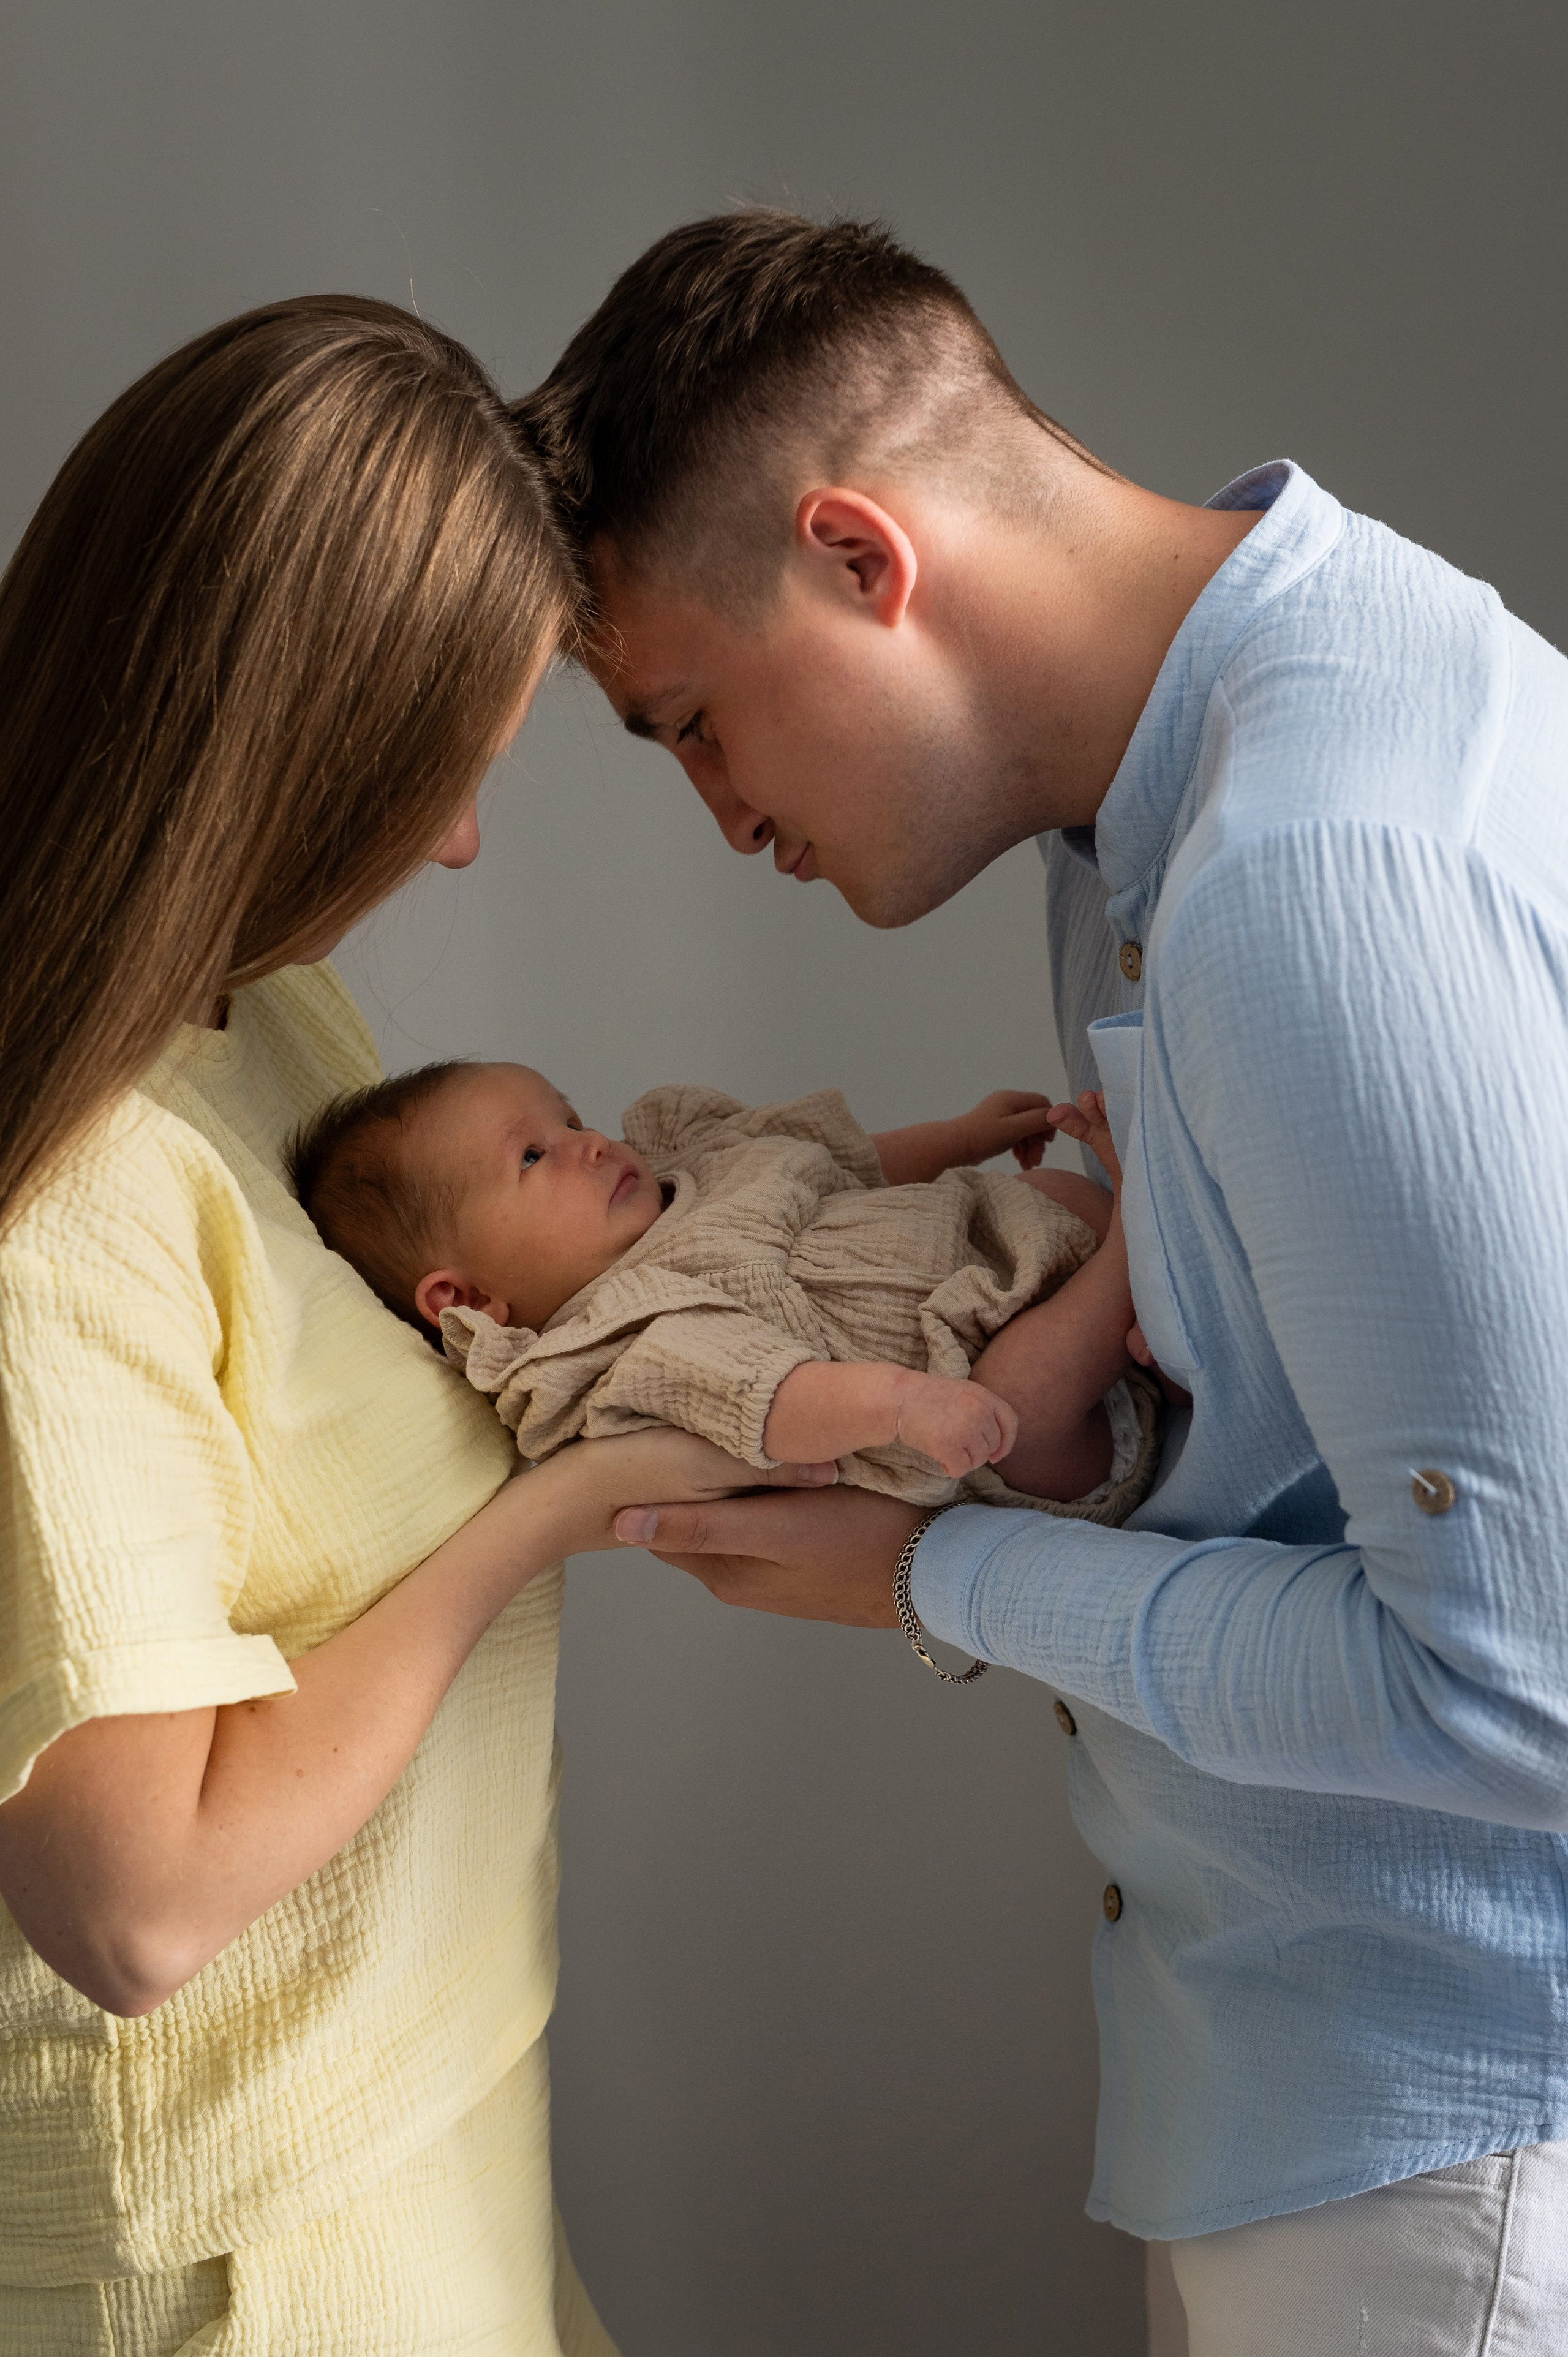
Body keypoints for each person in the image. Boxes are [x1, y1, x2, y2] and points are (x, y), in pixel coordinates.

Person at [514, 211, 1568, 2352]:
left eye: (697, 719)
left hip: (1446, 2157)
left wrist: (931, 1575)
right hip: (1319, 2104)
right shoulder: (1159, 810)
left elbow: (1521, 1684)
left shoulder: (1310, 863)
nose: (724, 814)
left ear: (859, 553)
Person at [0, 295, 827, 2356]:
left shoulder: (270, 1016)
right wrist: (558, 1518)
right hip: (248, 2252)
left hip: (440, 2124)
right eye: (437, 780)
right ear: (283, 744)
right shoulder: (65, 1199)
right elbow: (135, 1900)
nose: (457, 842)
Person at [288, 1057, 1159, 1520]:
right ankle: (1142, 1240)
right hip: (989, 1415)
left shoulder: (692, 1165)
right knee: (1025, 1396)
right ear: (468, 1300)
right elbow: (773, 1397)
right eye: (531, 1156)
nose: (585, 1143)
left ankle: (1149, 1305)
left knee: (1046, 1201)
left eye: (571, 1118)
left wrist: (964, 1136)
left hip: (1003, 1254)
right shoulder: (626, 1337)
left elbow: (840, 1165)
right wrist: (905, 1407)